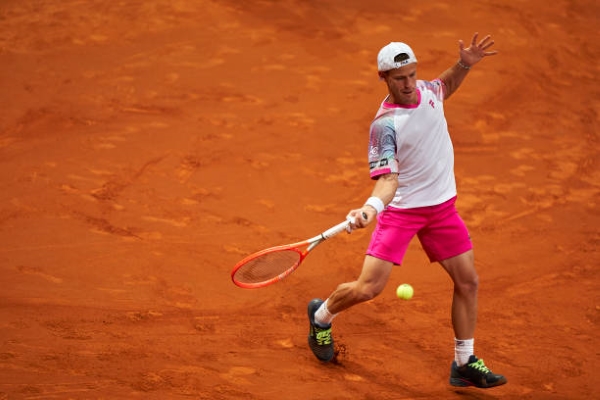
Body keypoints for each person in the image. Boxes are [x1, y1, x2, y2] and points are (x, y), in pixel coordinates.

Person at [307, 33, 507, 389]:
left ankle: (463, 361)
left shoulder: (428, 91)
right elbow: (388, 181)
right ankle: (322, 317)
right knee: (369, 288)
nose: (409, 84)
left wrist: (464, 64)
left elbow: (444, 85)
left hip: (443, 208)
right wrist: (370, 207)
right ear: (383, 78)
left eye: (412, 74)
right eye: (400, 78)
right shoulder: (384, 125)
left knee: (468, 281)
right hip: (403, 212)